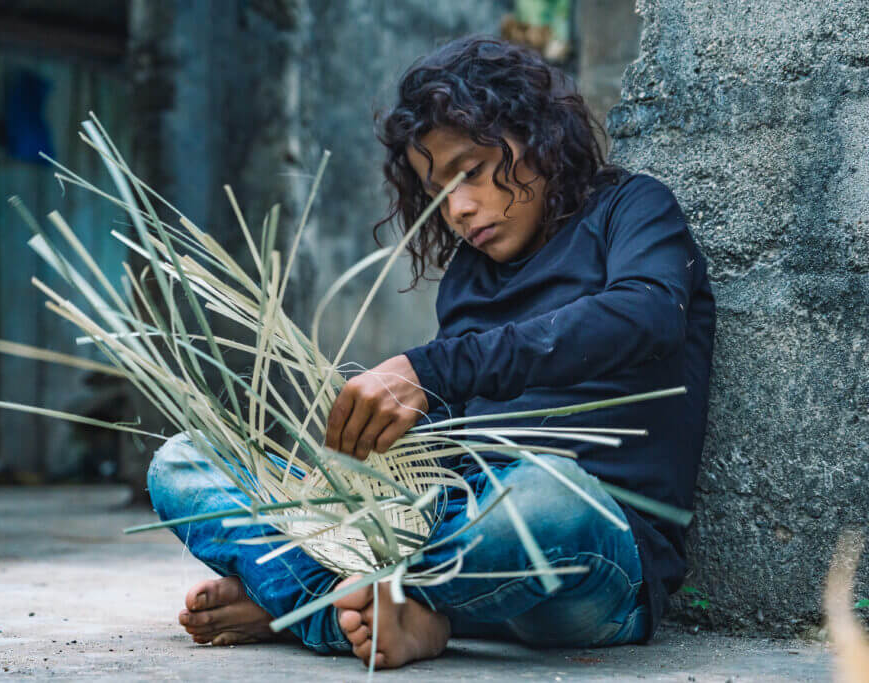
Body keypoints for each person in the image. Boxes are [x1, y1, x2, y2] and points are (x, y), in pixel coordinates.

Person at [146, 35, 715, 670]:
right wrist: (344, 481)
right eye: (437, 191)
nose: (459, 209)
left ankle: (303, 603)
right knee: (184, 463)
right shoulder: (470, 274)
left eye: (471, 171)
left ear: (539, 136)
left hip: (587, 553)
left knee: (544, 500)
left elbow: (648, 314)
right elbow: (452, 432)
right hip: (447, 527)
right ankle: (371, 606)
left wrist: (431, 368)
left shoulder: (631, 208)